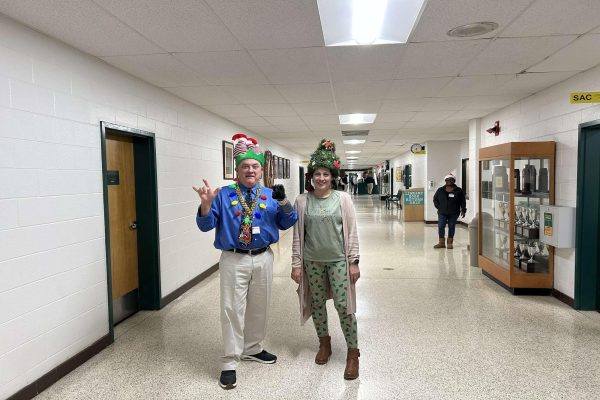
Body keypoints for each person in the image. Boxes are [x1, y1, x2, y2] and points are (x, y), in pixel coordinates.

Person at [194, 133, 298, 390]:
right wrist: (206, 206)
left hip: (263, 257)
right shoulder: (223, 195)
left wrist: (284, 202)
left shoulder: (271, 194)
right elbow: (205, 226)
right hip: (233, 259)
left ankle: (252, 347)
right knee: (231, 309)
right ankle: (229, 361)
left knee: (260, 306)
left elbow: (288, 221)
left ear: (261, 170)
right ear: (236, 171)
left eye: (254, 166)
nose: (250, 170)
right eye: (245, 166)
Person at [291, 139, 361, 380]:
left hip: (338, 261)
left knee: (344, 306)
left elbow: (351, 231)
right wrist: (296, 264)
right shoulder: (302, 201)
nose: (321, 178)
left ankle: (353, 353)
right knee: (317, 303)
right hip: (312, 261)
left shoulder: (343, 199)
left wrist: (353, 261)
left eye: (325, 174)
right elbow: (298, 235)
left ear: (332, 177)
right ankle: (325, 343)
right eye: (317, 174)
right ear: (311, 177)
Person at [433, 173, 467, 249]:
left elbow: (463, 201)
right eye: (448, 180)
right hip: (442, 212)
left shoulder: (459, 191)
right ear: (445, 181)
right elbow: (435, 199)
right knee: (441, 226)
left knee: (451, 226)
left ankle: (449, 243)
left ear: (454, 181)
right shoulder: (440, 190)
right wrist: (439, 207)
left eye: (451, 180)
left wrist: (463, 210)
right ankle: (441, 243)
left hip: (454, 213)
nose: (449, 181)